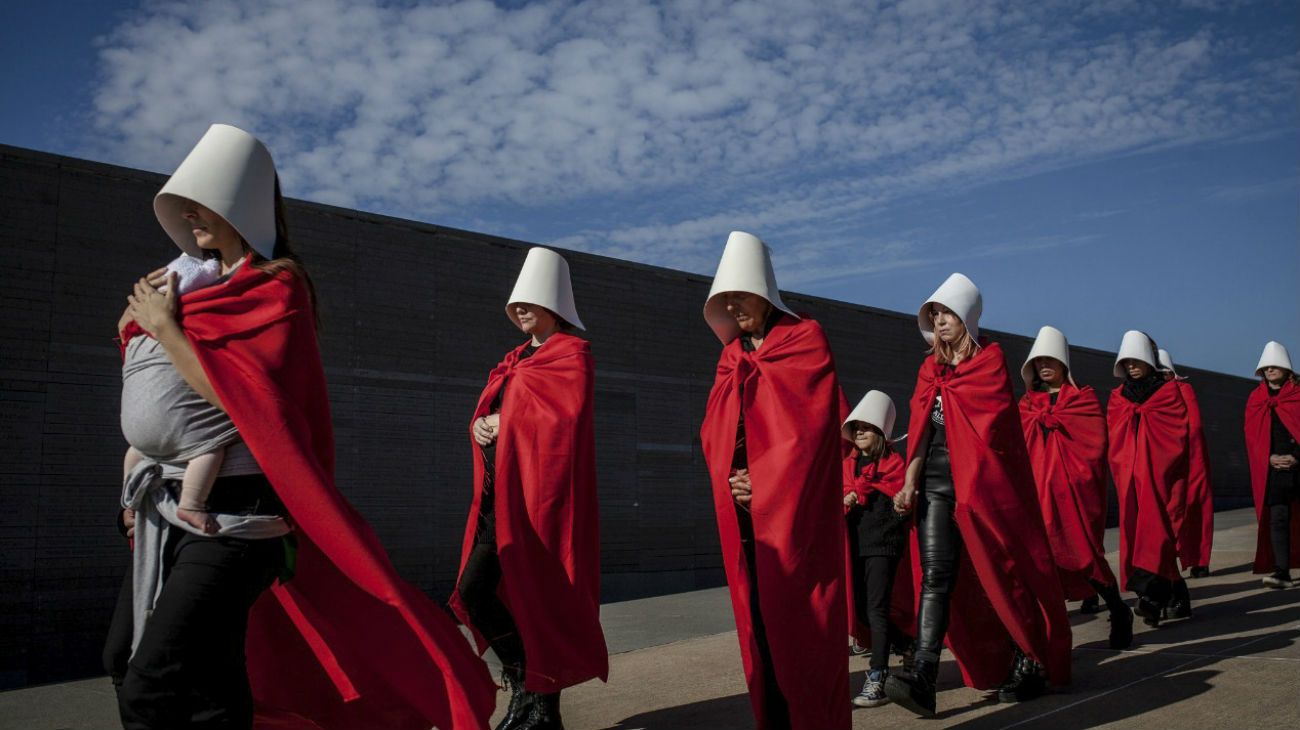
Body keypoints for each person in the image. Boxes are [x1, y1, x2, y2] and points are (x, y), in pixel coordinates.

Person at [103, 124, 495, 730]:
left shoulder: (276, 286)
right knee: (176, 672)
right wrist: (142, 332)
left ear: (237, 203)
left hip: (237, 514)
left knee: (152, 683)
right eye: (182, 202)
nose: (187, 212)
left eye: (199, 198)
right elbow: (154, 382)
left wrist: (167, 330)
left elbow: (250, 402)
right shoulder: (184, 285)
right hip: (163, 503)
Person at [884, 274, 1071, 717]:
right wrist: (909, 480)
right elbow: (921, 432)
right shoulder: (929, 369)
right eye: (935, 314)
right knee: (937, 575)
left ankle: (1028, 658)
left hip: (984, 487)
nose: (940, 321)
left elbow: (995, 435)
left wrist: (974, 480)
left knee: (998, 572)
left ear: (965, 317)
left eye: (947, 313)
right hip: (935, 483)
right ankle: (925, 673)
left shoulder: (990, 362)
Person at [450, 247, 608, 730]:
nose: (520, 308)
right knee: (474, 593)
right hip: (499, 503)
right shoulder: (512, 360)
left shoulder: (571, 354)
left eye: (530, 301)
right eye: (516, 302)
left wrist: (505, 417)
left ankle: (540, 708)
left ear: (553, 304)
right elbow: (499, 413)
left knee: (536, 600)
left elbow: (561, 419)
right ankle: (528, 692)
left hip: (539, 506)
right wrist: (479, 424)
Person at [699, 231, 850, 730]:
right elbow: (714, 429)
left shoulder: (804, 339)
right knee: (759, 621)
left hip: (794, 515)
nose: (734, 305)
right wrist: (731, 476)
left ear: (764, 293)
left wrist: (761, 481)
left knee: (800, 622)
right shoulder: (731, 357)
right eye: (726, 299)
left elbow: (809, 432)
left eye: (741, 295)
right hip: (744, 513)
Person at [1018, 326, 1132, 649]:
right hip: (1038, 495)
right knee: (1041, 563)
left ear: (1064, 363)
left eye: (1050, 360)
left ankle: (1118, 609)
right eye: (1039, 361)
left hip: (1071, 495)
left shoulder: (1083, 399)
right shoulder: (1027, 405)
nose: (1044, 366)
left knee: (1084, 555)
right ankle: (1050, 639)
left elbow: (1094, 446)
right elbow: (1018, 447)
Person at [121, 252, 230, 535]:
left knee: (138, 454)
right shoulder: (146, 324)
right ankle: (188, 503)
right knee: (210, 450)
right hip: (180, 445)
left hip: (155, 445)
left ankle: (141, 503)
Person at [1107, 331, 1194, 627]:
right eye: (1127, 362)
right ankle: (1171, 598)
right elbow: (1114, 435)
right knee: (1143, 534)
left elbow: (1177, 436)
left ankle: (1150, 598)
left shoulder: (1168, 393)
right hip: (1132, 478)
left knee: (1158, 535)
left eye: (1137, 361)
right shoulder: (1119, 397)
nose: (1132, 366)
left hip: (1160, 478)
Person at [841, 390, 914, 708]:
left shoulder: (896, 465)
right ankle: (907, 645)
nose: (859, 433)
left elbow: (905, 502)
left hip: (884, 544)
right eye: (856, 428)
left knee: (877, 608)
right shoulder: (848, 468)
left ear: (881, 434)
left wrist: (902, 503)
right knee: (860, 610)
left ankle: (878, 676)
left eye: (866, 428)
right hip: (856, 545)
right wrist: (847, 498)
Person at [1244, 341, 1300, 589]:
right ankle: (1282, 571)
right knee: (1278, 518)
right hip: (1274, 472)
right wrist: (1268, 458)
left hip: (1298, 466)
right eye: (1266, 367)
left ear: (1286, 368)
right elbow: (1252, 436)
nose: (1270, 370)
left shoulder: (1298, 394)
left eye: (1274, 366)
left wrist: (1296, 456)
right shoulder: (1256, 398)